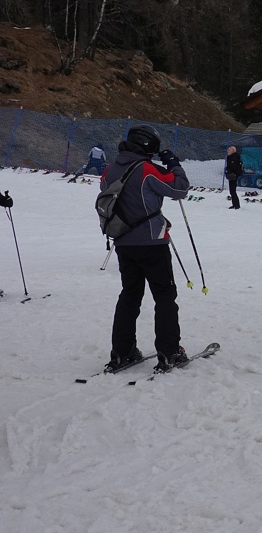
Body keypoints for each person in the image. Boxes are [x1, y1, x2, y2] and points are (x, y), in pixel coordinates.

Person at [100, 125, 190, 371]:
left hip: (123, 241)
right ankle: (169, 351)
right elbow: (180, 188)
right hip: (152, 242)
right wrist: (174, 164)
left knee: (130, 295)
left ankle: (122, 351)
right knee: (164, 296)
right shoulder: (147, 168)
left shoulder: (110, 169)